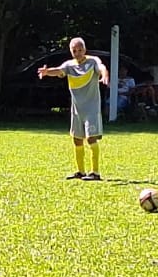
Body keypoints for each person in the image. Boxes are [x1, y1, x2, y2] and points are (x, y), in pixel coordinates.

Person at [37, 36, 109, 180]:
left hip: (91, 109)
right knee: (77, 140)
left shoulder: (92, 61)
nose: (77, 53)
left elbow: (101, 67)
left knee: (91, 138)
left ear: (85, 49)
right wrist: (47, 72)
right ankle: (80, 171)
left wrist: (105, 75)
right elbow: (58, 70)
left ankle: (95, 172)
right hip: (77, 110)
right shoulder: (69, 65)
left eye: (80, 50)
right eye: (74, 50)